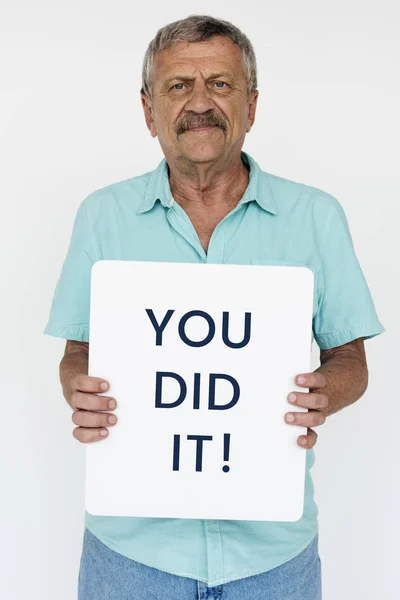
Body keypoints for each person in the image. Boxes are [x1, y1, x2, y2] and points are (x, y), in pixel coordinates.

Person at [43, 14, 385, 600]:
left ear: (251, 106)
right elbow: (79, 352)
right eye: (179, 86)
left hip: (272, 556)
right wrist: (80, 387)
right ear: (149, 111)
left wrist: (325, 391)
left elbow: (349, 357)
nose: (200, 103)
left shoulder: (316, 217)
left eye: (221, 85)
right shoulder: (102, 216)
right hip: (130, 555)